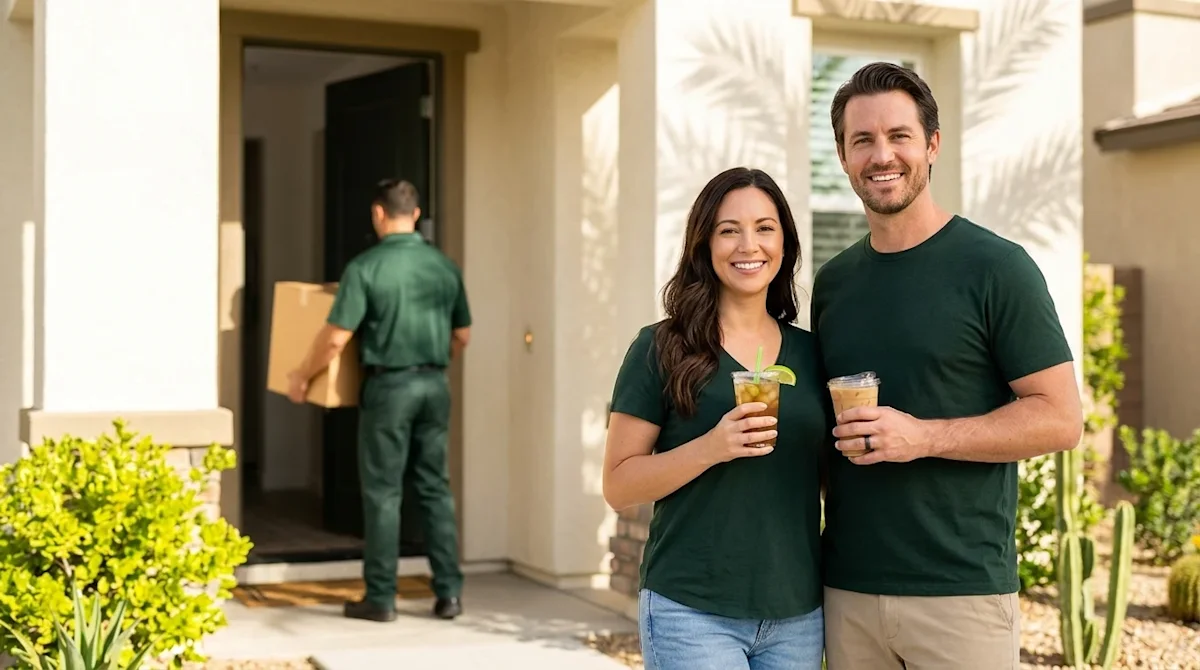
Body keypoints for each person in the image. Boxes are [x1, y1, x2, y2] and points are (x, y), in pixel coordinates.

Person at [810, 62, 1084, 668]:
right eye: (863, 140)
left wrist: (924, 437)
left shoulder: (997, 268)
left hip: (961, 595)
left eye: (899, 136)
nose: (882, 155)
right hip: (846, 593)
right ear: (843, 155)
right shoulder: (833, 284)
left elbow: (1061, 419)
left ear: (932, 145)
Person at [602, 167, 827, 670]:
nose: (749, 244)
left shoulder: (813, 355)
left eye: (765, 228)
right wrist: (711, 447)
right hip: (692, 611)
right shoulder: (661, 348)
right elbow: (619, 485)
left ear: (785, 243)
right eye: (729, 230)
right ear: (704, 243)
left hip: (797, 612)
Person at [287, 178, 471, 623]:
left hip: (389, 389)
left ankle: (381, 598)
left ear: (378, 213)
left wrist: (300, 376)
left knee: (384, 494)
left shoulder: (366, 267)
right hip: (434, 385)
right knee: (434, 488)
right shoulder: (444, 267)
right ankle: (449, 595)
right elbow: (462, 335)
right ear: (417, 213)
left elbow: (335, 339)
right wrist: (430, 361)